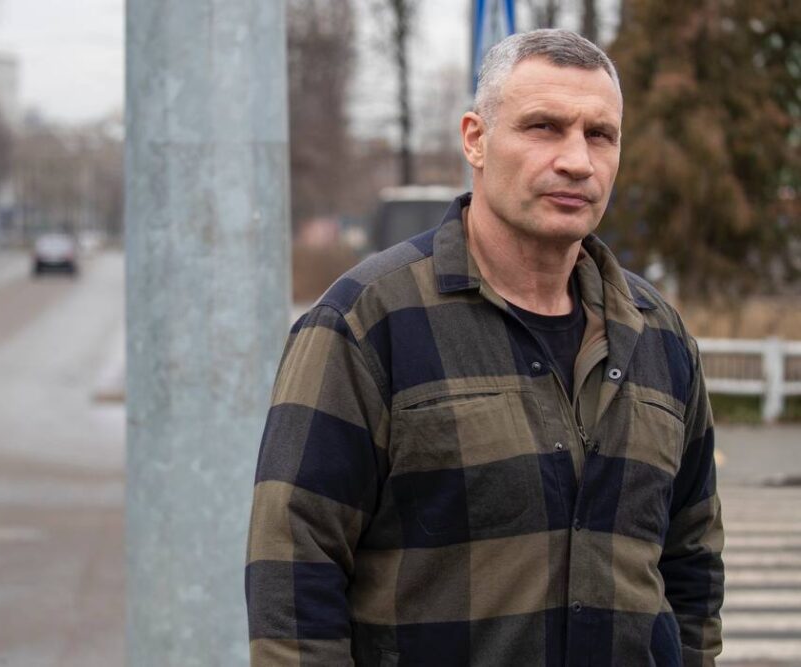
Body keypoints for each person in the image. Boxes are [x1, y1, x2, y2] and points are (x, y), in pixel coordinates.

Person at [246, 29, 723, 666]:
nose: (577, 161)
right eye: (544, 127)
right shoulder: (366, 323)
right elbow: (293, 575)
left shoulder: (659, 334)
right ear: (475, 138)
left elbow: (692, 561)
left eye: (599, 135)